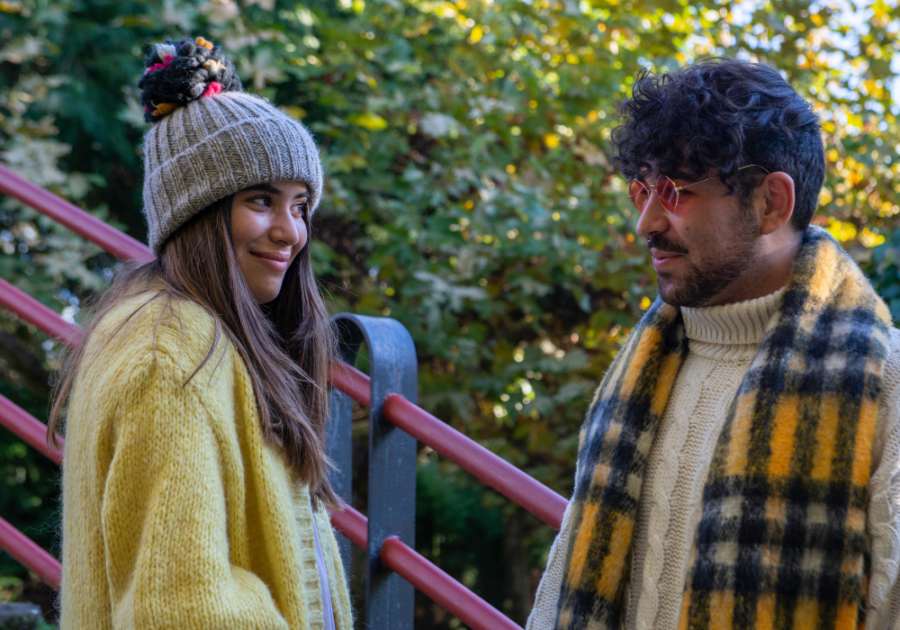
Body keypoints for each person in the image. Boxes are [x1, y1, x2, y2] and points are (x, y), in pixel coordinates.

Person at [528, 58, 900, 630]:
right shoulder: (642, 367)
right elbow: (563, 583)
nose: (646, 222)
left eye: (676, 191)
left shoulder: (884, 381)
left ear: (772, 203)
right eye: (642, 189)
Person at [50, 37, 352, 629]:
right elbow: (183, 604)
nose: (290, 232)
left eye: (300, 205)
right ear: (197, 213)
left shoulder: (187, 332)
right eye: (261, 200)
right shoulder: (171, 357)